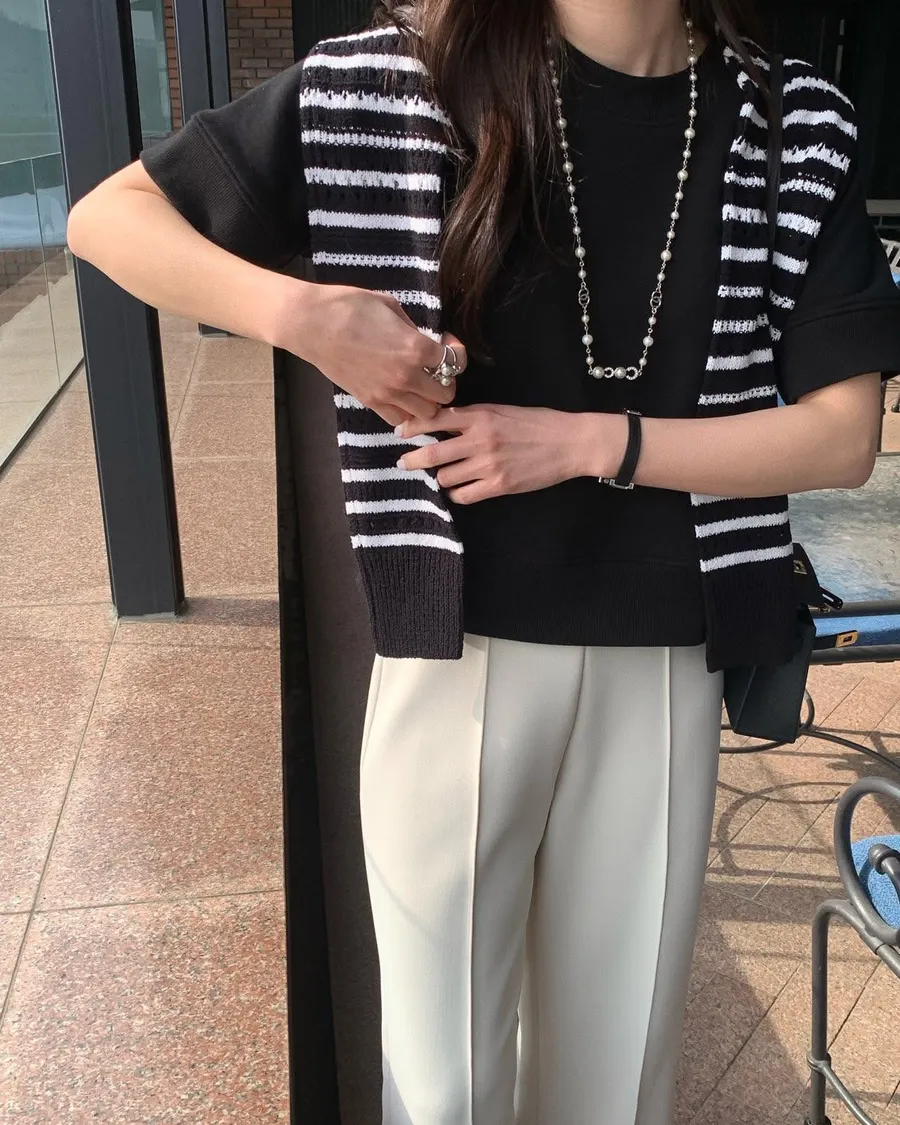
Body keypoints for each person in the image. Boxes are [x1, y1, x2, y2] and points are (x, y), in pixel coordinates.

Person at [67, 0, 900, 1122]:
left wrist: (589, 443)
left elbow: (843, 437)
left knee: (618, 1077)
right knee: (441, 1081)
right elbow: (110, 217)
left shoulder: (791, 123)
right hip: (455, 654)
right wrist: (306, 316)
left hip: (665, 654)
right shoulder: (394, 83)